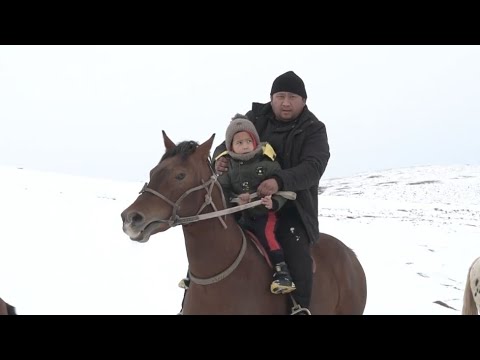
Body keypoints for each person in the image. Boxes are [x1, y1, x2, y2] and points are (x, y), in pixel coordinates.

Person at [213, 71, 330, 313]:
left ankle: (300, 307)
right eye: (280, 96)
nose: (286, 102)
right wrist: (220, 158)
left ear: (304, 101)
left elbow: (314, 167)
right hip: (242, 202)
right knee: (211, 239)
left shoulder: (314, 129)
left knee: (297, 253)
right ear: (271, 97)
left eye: (293, 97)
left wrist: (279, 180)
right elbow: (227, 142)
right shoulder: (255, 117)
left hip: (291, 207)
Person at [216, 114, 296, 294]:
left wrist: (272, 202)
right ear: (230, 147)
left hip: (264, 214)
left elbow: (283, 191)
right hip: (243, 215)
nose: (244, 146)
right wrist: (234, 199)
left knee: (267, 235)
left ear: (255, 142)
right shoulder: (229, 168)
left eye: (247, 141)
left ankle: (282, 271)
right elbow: (223, 189)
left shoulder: (267, 163)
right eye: (238, 143)